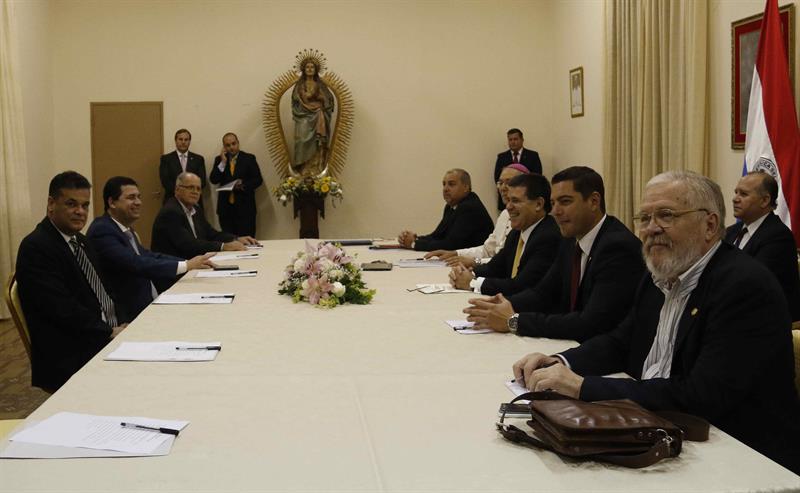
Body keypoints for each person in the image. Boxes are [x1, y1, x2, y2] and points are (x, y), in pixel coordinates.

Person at [512, 170, 800, 475]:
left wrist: (583, 387)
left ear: (710, 225)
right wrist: (560, 362)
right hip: (662, 431)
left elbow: (701, 397)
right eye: (644, 218)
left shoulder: (743, 286)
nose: (651, 229)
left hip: (742, 455)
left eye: (665, 215)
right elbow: (620, 342)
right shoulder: (658, 275)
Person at [464, 166, 644, 342]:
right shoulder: (569, 239)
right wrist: (503, 305)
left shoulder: (617, 247)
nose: (555, 211)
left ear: (594, 201)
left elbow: (590, 323)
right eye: (553, 203)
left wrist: (514, 321)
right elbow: (543, 293)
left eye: (565, 202)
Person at [15, 171, 127, 391]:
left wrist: (122, 322)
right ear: (51, 203)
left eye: (85, 205)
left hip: (101, 335)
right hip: (72, 351)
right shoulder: (36, 247)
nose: (80, 212)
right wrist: (108, 332)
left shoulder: (81, 241)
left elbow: (106, 289)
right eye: (71, 204)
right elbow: (62, 309)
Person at [87, 176, 216, 322]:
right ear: (112, 202)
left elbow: (147, 255)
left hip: (148, 301)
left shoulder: (124, 229)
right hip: (129, 314)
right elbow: (135, 263)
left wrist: (189, 263)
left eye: (139, 197)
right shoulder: (102, 230)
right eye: (131, 197)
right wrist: (186, 265)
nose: (138, 202)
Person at [449, 173, 561, 296]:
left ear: (538, 204)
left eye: (515, 201)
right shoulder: (516, 233)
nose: (508, 207)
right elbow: (494, 268)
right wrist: (465, 273)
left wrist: (472, 283)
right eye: (508, 200)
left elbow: (521, 286)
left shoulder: (548, 237)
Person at [725, 171, 800, 321]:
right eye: (736, 192)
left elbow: (752, 281)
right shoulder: (730, 232)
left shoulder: (778, 236)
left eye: (743, 194)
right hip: (735, 311)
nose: (735, 199)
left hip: (767, 319)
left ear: (765, 200)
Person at [425, 163, 528, 268]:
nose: (503, 188)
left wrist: (476, 262)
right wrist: (456, 253)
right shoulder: (504, 214)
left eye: (509, 182)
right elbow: (487, 250)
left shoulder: (527, 216)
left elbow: (508, 260)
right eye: (500, 183)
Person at [152, 172, 258, 258]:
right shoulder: (171, 212)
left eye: (198, 189)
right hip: (175, 270)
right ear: (177, 190)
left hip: (194, 261)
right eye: (190, 187)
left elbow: (211, 234)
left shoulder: (196, 209)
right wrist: (223, 246)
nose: (195, 192)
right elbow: (188, 244)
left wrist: (236, 238)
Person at [398, 169, 493, 251]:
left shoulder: (469, 207)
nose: (445, 189)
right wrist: (415, 238)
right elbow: (437, 236)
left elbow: (450, 245)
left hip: (476, 263)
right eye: (444, 184)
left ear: (465, 188)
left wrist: (414, 243)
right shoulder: (451, 206)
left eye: (451, 184)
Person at [208, 132, 264, 237]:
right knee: (230, 242)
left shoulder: (249, 158)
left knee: (248, 242)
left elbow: (258, 180)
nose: (231, 147)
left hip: (245, 209)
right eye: (228, 145)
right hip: (226, 210)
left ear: (238, 143)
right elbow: (214, 179)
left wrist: (242, 185)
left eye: (233, 144)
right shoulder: (219, 160)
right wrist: (223, 163)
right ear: (224, 147)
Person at [292, 58, 334, 175]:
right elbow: (296, 102)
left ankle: (316, 169)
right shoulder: (299, 85)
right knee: (301, 140)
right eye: (307, 67)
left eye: (312, 67)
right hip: (303, 116)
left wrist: (321, 99)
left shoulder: (321, 85)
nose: (310, 69)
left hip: (319, 115)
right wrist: (306, 99)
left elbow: (328, 101)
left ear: (316, 70)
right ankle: (303, 168)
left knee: (318, 142)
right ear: (303, 70)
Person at [493, 129, 543, 210]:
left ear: (522, 140)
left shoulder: (533, 156)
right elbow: (497, 178)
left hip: (526, 199)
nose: (513, 142)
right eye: (510, 139)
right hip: (506, 201)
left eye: (515, 139)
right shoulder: (502, 157)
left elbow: (537, 178)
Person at [159, 128, 207, 204]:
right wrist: (181, 193)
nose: (183, 142)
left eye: (186, 140)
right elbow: (165, 182)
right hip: (172, 199)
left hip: (194, 200)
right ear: (176, 141)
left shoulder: (198, 159)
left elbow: (202, 182)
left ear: (189, 141)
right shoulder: (166, 159)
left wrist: (189, 193)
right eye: (180, 139)